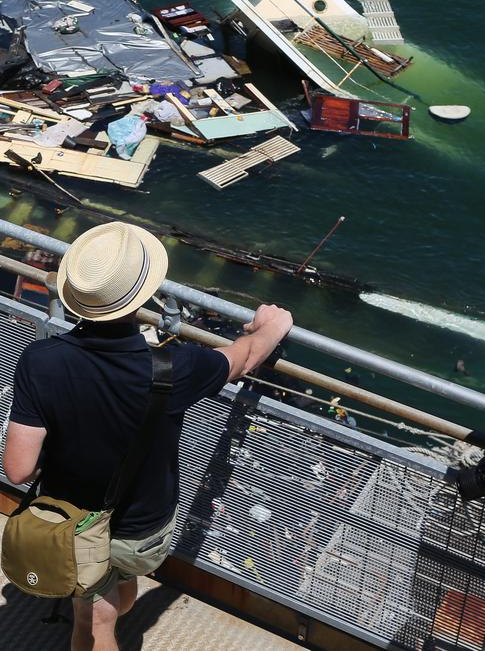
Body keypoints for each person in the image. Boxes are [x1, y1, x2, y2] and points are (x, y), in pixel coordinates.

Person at [2, 221, 293, 651]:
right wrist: (272, 324)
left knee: (94, 605)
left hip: (72, 517)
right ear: (142, 295)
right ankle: (99, 607)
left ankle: (93, 600)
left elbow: (19, 468)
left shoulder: (40, 359)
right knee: (101, 617)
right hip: (143, 523)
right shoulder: (177, 366)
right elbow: (245, 358)